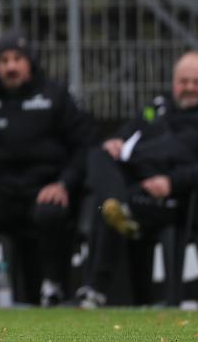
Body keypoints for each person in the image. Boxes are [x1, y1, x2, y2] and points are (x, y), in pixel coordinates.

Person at [0, 31, 95, 307]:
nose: (11, 66)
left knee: (52, 213)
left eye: (17, 59)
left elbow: (83, 147)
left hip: (45, 188)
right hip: (0, 190)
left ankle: (53, 288)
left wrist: (64, 183)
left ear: (30, 62)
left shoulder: (56, 95)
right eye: (4, 60)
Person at [75, 51, 198, 308]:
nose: (189, 88)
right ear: (173, 82)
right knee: (99, 155)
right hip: (134, 187)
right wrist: (117, 141)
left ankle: (96, 288)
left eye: (196, 82)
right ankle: (118, 206)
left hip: (174, 200)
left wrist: (171, 182)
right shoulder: (158, 108)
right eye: (183, 81)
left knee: (107, 207)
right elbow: (128, 133)